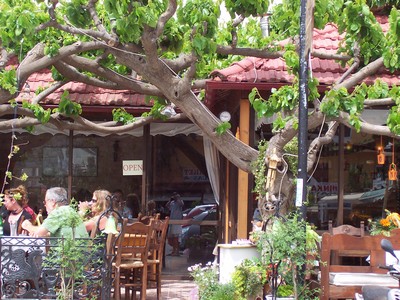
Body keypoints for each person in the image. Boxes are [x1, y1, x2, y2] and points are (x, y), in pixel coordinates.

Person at [21, 187, 88, 238]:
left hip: (67, 255)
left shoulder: (57, 213)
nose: (45, 205)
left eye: (45, 202)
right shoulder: (70, 210)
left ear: (52, 202)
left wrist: (27, 226)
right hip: (79, 254)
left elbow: (38, 233)